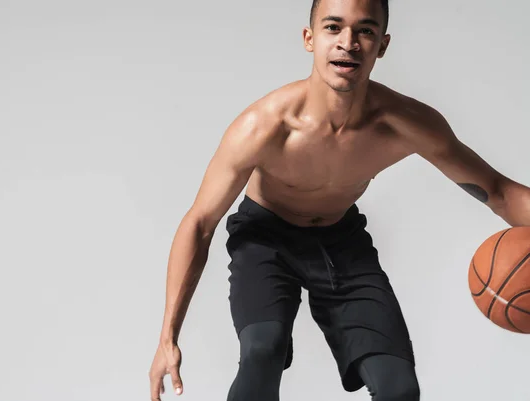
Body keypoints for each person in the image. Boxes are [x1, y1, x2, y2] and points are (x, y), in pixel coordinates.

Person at [148, 0, 530, 400]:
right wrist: (167, 337)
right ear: (309, 39)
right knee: (263, 349)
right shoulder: (264, 127)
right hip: (265, 238)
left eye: (365, 30)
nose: (348, 43)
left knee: (399, 389)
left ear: (381, 45)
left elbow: (499, 190)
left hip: (341, 242)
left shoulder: (404, 124)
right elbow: (200, 223)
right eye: (334, 27)